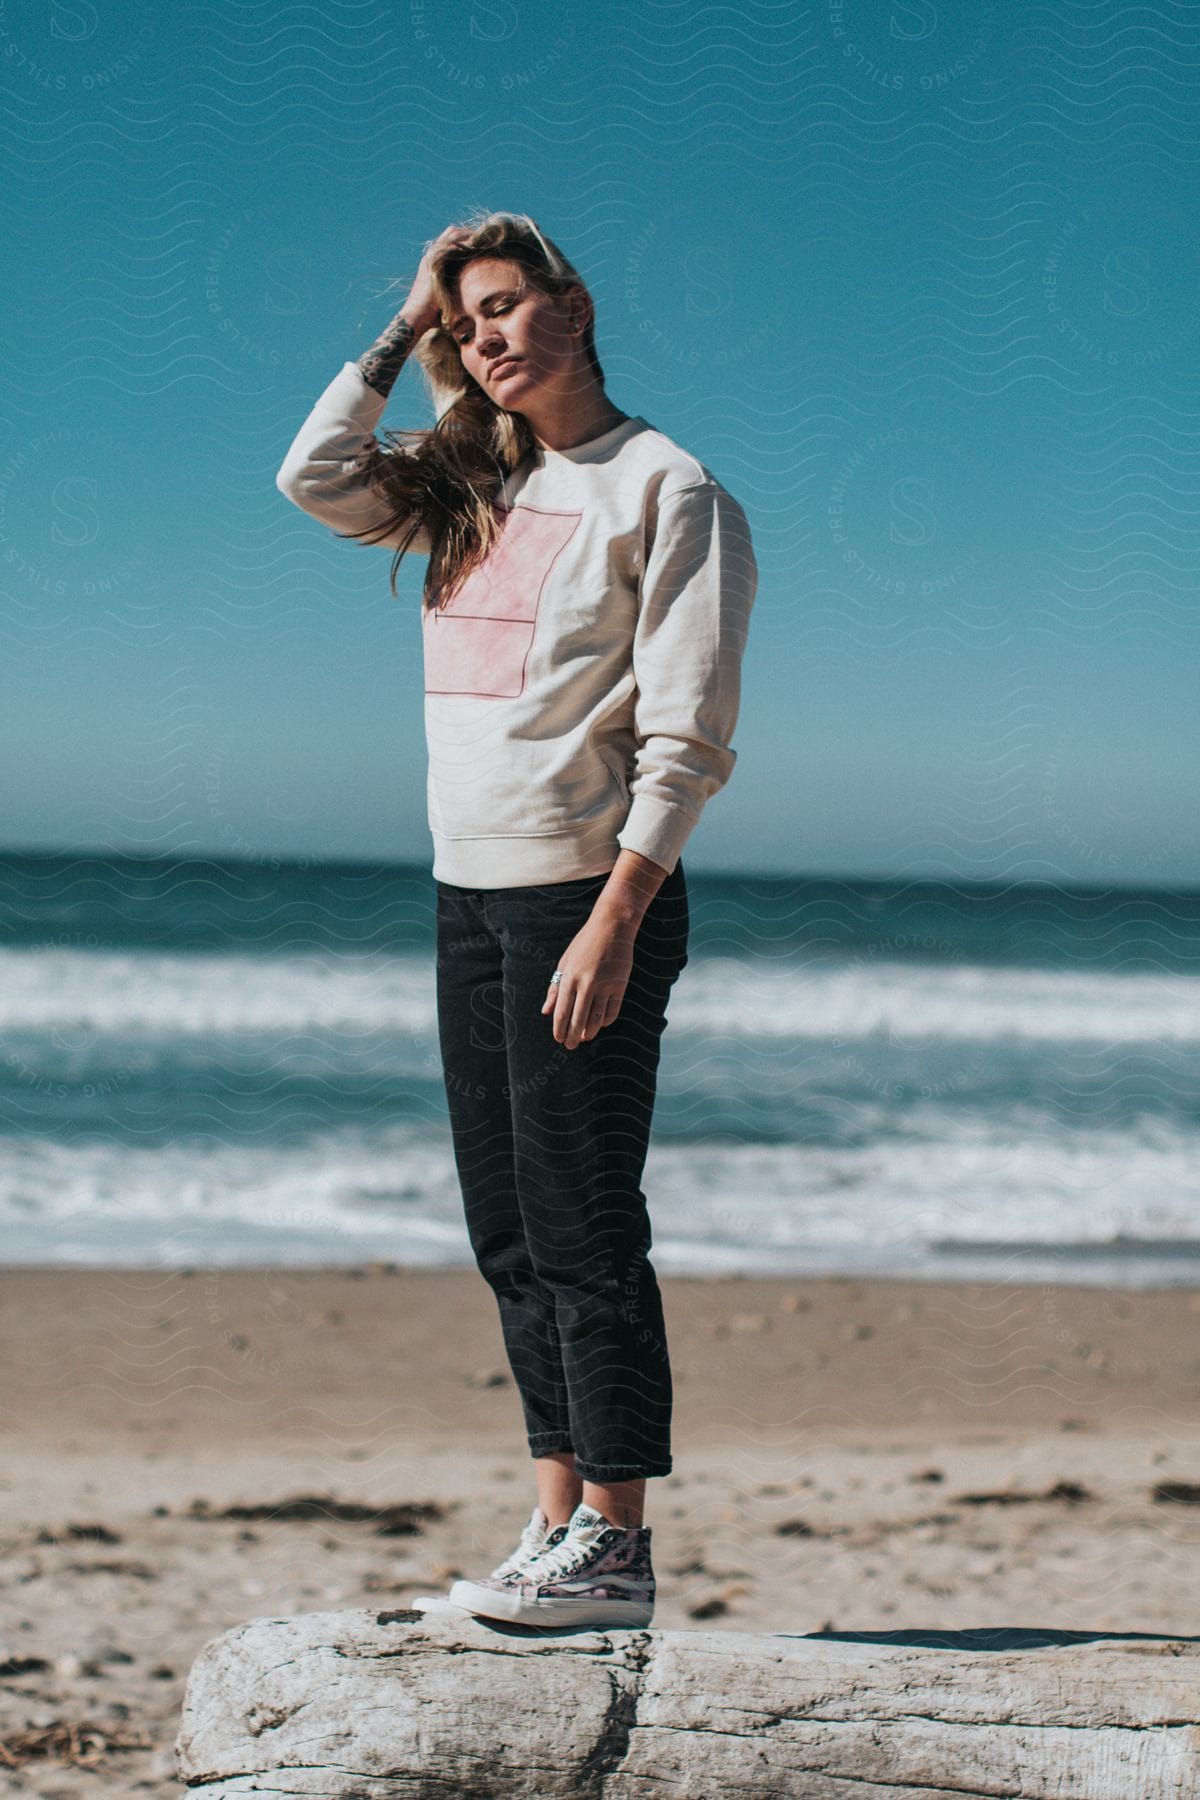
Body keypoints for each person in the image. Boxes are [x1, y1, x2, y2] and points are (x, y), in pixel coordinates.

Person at [275, 210, 758, 1628]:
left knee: (584, 1222)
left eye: (498, 306)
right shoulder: (469, 485)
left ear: (574, 305)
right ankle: (552, 1523)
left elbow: (691, 733)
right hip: (468, 889)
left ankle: (617, 1541)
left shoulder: (668, 488)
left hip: (578, 895)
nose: (480, 336)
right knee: (506, 1230)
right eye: (458, 319)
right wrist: (394, 334)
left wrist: (620, 913)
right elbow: (310, 476)